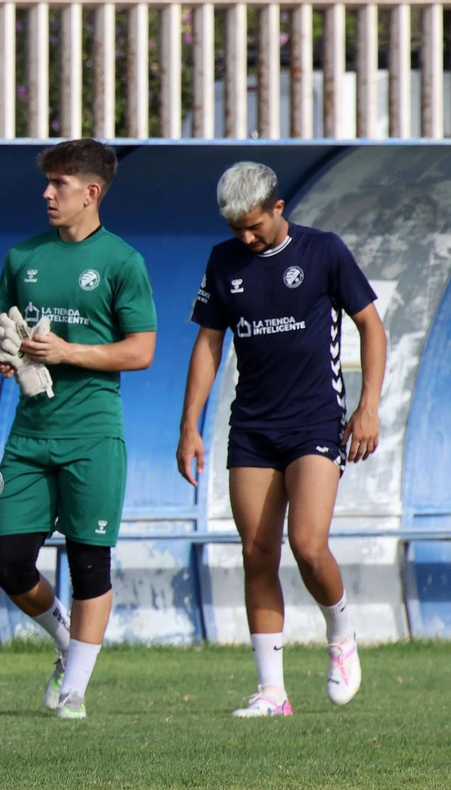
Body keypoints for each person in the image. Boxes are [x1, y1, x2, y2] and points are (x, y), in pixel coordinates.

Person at [177, 161, 384, 717]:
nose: (246, 238)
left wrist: (368, 407)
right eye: (236, 229)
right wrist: (189, 425)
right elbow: (208, 345)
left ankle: (341, 634)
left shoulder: (324, 251)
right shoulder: (223, 261)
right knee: (257, 552)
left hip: (315, 419)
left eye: (254, 226)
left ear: (278, 208)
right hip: (252, 426)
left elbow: (371, 325)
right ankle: (272, 692)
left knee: (308, 544)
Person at [0, 138, 157, 720]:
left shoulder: (122, 262)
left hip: (93, 433)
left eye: (59, 184)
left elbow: (141, 351)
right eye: (47, 182)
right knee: (8, 560)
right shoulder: (22, 257)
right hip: (29, 435)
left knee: (89, 563)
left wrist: (68, 352)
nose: (47, 193)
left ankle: (75, 691)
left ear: (92, 192)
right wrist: (5, 356)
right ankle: (67, 642)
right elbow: (7, 332)